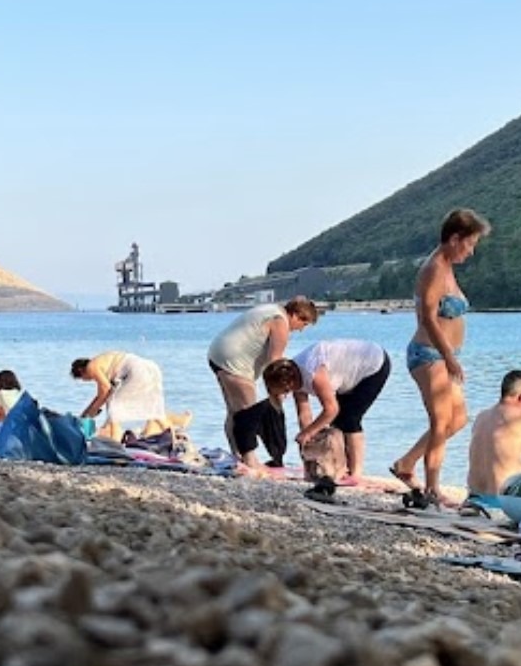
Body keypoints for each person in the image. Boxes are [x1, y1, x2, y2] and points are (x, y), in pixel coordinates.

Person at [390, 208, 490, 504]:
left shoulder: (447, 267)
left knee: (457, 419)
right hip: (430, 354)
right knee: (440, 420)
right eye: (469, 244)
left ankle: (406, 463)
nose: (471, 252)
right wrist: (448, 356)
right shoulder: (433, 268)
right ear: (454, 238)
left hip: (444, 355)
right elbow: (428, 319)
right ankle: (432, 487)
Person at [208, 296, 321, 467]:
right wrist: (279, 390)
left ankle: (236, 455)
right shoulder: (280, 322)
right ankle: (250, 460)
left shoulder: (271, 309)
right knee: (248, 412)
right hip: (235, 361)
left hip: (217, 355)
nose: (300, 330)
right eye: (303, 324)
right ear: (297, 315)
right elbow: (274, 362)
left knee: (234, 410)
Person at [263, 338, 393, 482]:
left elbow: (331, 409)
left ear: (288, 382)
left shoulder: (314, 374)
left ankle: (356, 473)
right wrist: (305, 440)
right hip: (345, 372)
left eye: (284, 391)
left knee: (349, 418)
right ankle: (342, 468)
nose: (285, 394)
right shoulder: (293, 377)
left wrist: (309, 432)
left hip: (373, 363)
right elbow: (304, 413)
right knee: (337, 423)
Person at [71, 350, 172, 438]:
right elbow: (101, 396)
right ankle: (174, 439)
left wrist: (90, 414)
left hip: (136, 369)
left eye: (83, 378)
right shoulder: (101, 364)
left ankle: (115, 440)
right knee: (153, 409)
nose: (87, 380)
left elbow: (106, 390)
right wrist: (87, 414)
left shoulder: (91, 367)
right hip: (150, 367)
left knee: (114, 407)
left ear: (81, 371)